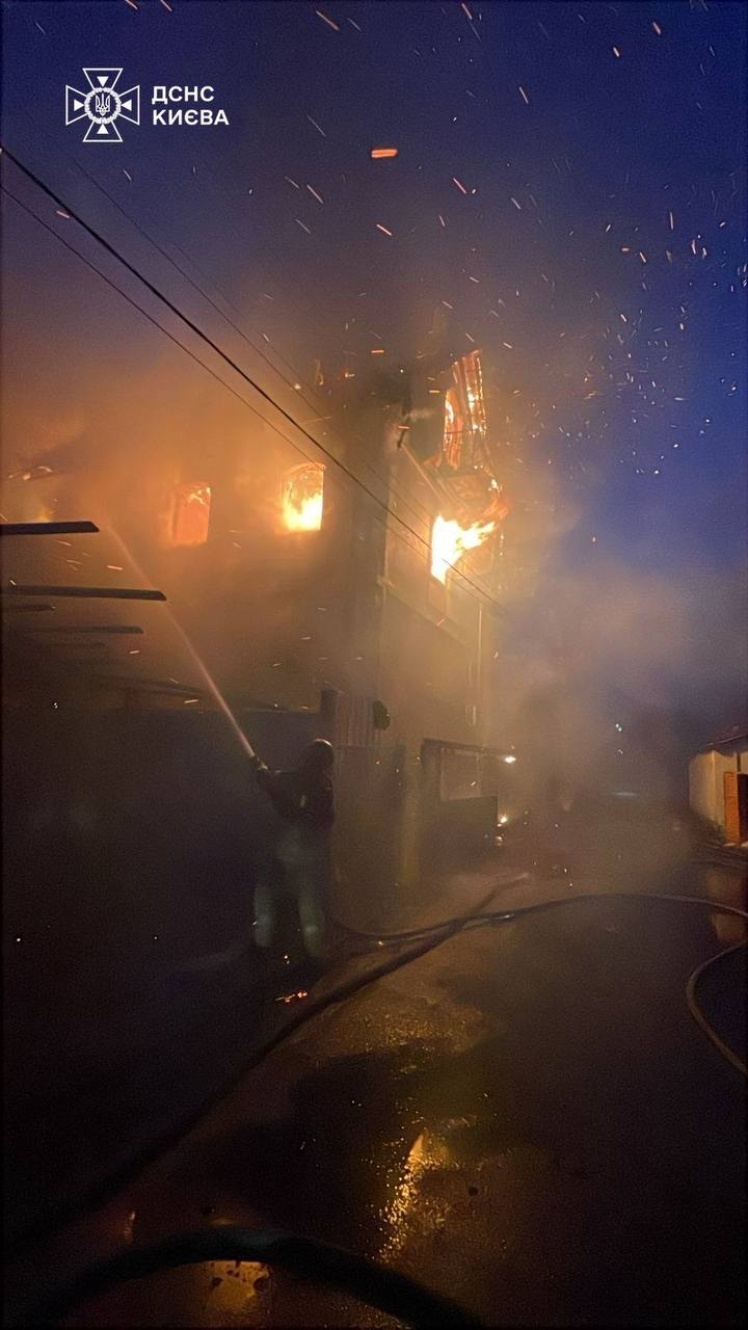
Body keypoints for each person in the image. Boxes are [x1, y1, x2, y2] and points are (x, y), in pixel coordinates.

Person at [250, 739, 335, 961]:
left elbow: (276, 786)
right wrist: (263, 771)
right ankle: (315, 953)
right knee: (309, 906)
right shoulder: (324, 785)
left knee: (268, 898)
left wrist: (262, 773)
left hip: (287, 854)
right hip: (305, 856)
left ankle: (263, 949)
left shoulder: (306, 783)